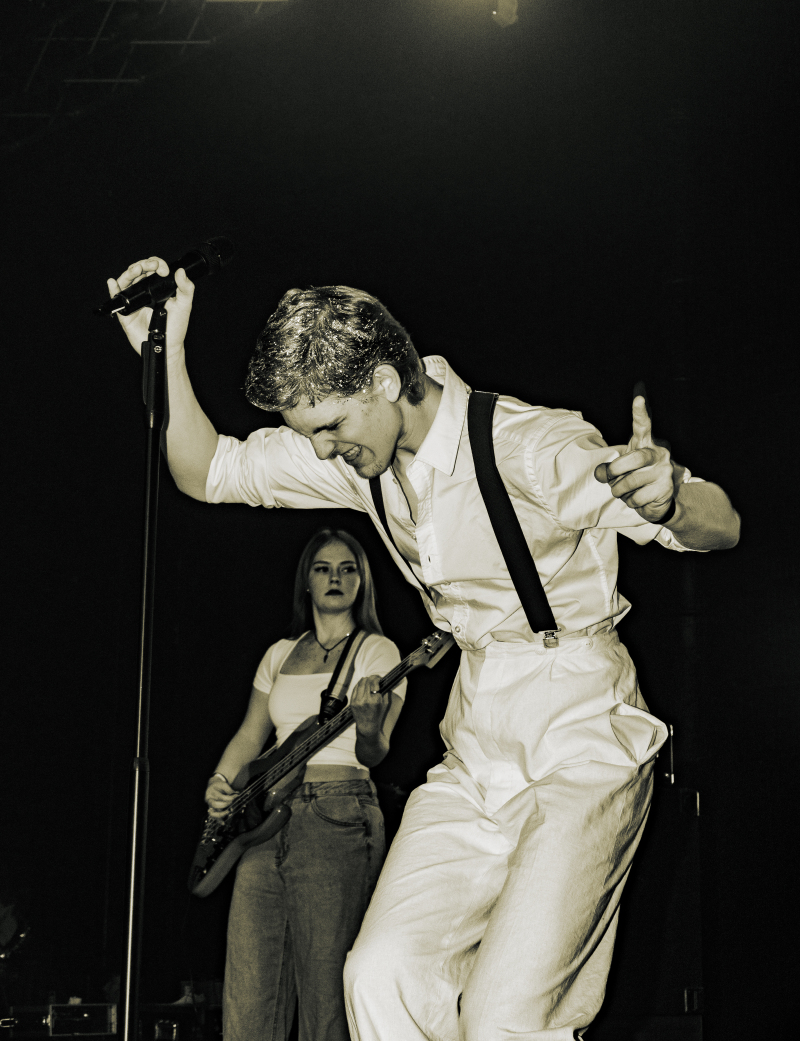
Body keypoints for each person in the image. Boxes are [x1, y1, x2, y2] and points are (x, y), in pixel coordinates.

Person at [107, 260, 740, 1041]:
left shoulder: (524, 445)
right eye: (311, 435)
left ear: (383, 381)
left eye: (330, 427)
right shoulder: (364, 463)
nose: (325, 451)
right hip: (477, 737)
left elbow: (721, 525)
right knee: (379, 976)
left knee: (506, 1013)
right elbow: (207, 470)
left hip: (581, 726)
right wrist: (163, 349)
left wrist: (671, 500)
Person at [205, 525, 405, 1041]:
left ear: (361, 582)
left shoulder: (378, 652)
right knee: (249, 991)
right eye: (323, 569)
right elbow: (250, 735)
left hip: (336, 813)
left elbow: (374, 752)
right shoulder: (279, 653)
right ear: (307, 582)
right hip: (262, 822)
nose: (335, 577)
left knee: (325, 996)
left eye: (347, 569)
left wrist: (367, 725)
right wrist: (220, 783)